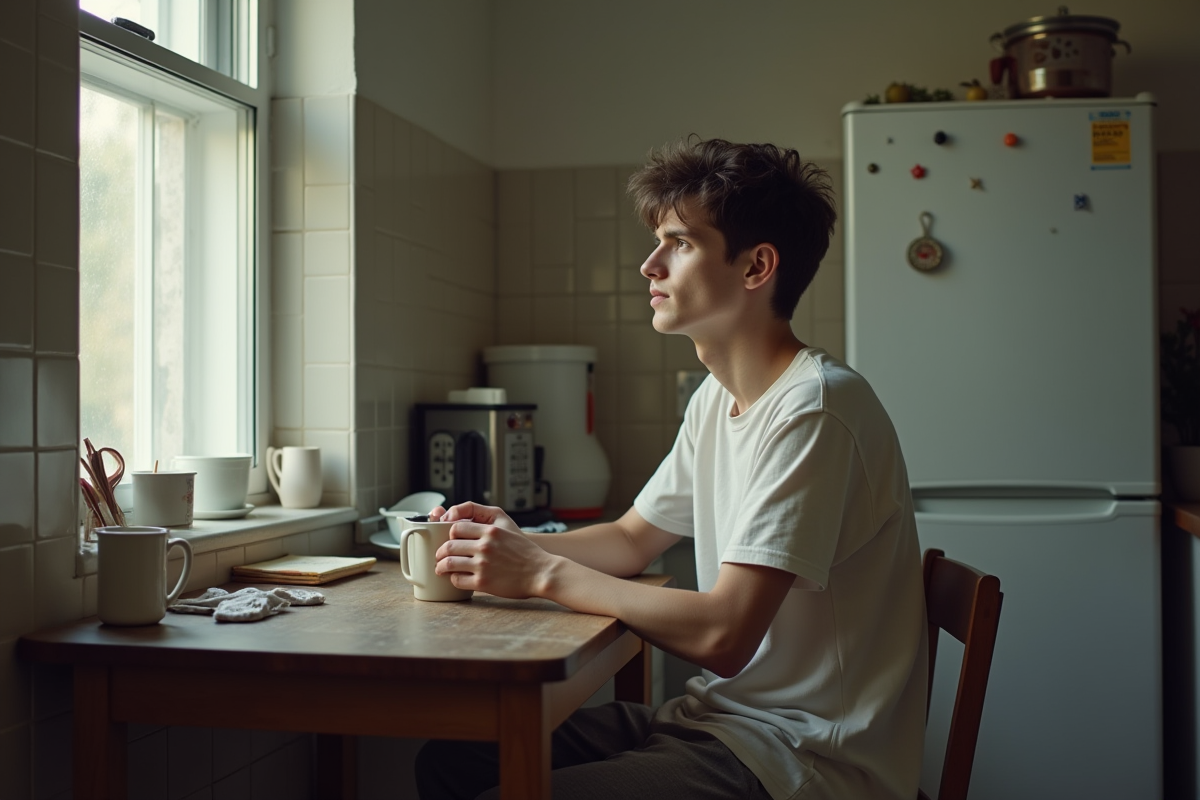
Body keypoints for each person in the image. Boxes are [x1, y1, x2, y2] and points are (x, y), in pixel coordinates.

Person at [415, 138, 928, 800]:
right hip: (724, 723)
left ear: (756, 267)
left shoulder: (816, 409)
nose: (648, 265)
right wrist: (507, 545)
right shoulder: (718, 398)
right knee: (453, 759)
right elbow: (633, 539)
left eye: (679, 243)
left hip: (802, 759)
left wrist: (540, 572)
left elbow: (724, 633)